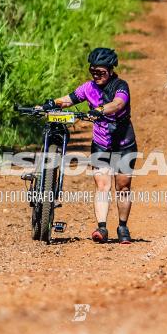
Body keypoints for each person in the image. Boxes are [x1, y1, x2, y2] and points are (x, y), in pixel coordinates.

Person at [38, 48, 137, 244]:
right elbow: (68, 100)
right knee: (102, 186)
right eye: (93, 71)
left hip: (124, 144)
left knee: (123, 187)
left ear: (110, 70)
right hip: (100, 144)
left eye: (100, 72)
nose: (96, 75)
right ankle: (102, 228)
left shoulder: (121, 86)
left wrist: (100, 110)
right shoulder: (88, 88)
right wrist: (51, 103)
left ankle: (122, 226)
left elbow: (117, 104)